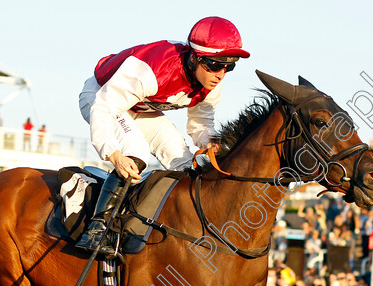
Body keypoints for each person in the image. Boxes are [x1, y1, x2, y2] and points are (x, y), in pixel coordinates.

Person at [76, 16, 248, 256]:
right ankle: (97, 229)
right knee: (136, 152)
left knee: (187, 162)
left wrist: (211, 143)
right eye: (216, 65)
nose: (221, 74)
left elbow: (201, 124)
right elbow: (104, 108)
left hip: (140, 107)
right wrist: (114, 154)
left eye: (229, 66)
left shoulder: (211, 83)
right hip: (101, 97)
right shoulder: (151, 69)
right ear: (196, 57)